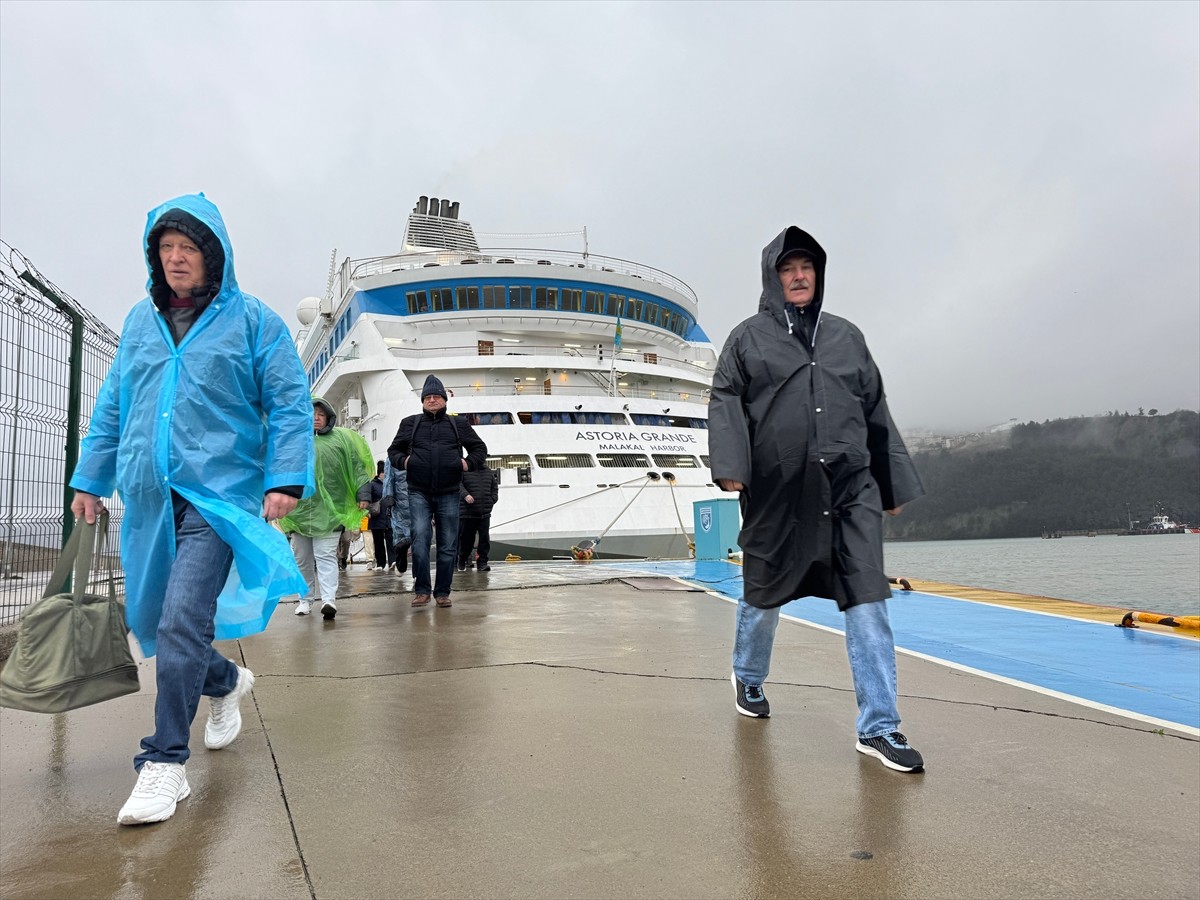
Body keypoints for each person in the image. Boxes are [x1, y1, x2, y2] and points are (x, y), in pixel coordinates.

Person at [69, 193, 314, 826]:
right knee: (152, 620)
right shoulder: (139, 322)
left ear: (214, 256)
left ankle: (164, 762)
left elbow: (289, 401)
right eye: (166, 248)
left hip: (219, 496)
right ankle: (226, 682)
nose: (176, 259)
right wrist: (90, 478)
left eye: (188, 249)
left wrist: (286, 478)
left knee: (182, 617)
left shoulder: (254, 321)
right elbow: (114, 405)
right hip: (148, 495)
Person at [708, 226, 927, 773]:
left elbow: (874, 407)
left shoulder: (847, 336)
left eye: (806, 267)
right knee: (763, 595)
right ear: (772, 277)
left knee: (868, 599)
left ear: (819, 274)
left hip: (851, 490)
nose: (799, 276)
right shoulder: (746, 339)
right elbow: (725, 397)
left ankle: (879, 727)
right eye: (788, 268)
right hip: (778, 492)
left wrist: (891, 483)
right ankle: (748, 676)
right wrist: (732, 466)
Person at [387, 375, 486, 608]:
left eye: (436, 396)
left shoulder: (458, 424)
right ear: (422, 401)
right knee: (420, 538)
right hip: (418, 491)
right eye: (427, 397)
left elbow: (479, 448)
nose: (432, 400)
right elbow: (394, 451)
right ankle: (422, 590)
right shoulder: (410, 423)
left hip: (450, 491)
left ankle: (442, 592)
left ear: (444, 400)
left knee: (448, 543)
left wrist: (467, 463)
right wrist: (406, 461)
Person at [280, 397, 373, 620]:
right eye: (312, 414)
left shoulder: (341, 440)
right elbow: (280, 468)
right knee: (302, 558)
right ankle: (305, 599)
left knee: (325, 556)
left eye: (321, 415)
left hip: (332, 511)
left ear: (328, 417)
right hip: (299, 512)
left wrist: (363, 494)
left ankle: (329, 600)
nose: (316, 418)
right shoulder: (294, 441)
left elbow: (357, 468)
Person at [457, 464, 499, 571]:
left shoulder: (488, 471)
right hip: (468, 513)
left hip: (484, 512)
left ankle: (482, 563)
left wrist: (492, 499)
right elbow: (458, 484)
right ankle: (462, 559)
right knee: (467, 540)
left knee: (484, 540)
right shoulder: (464, 471)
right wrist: (465, 495)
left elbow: (494, 487)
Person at [357, 461, 394, 573]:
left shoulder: (389, 483)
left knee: (390, 539)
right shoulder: (372, 485)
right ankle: (380, 563)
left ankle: (393, 561)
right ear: (379, 473)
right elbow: (367, 499)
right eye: (383, 473)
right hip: (376, 517)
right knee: (378, 541)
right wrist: (368, 511)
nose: (385, 475)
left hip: (388, 516)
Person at [383, 458, 412, 573]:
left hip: (416, 499)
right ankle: (401, 560)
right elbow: (388, 478)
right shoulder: (392, 457)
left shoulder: (420, 451)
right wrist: (389, 498)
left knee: (418, 538)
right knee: (402, 537)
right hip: (400, 502)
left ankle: (418, 573)